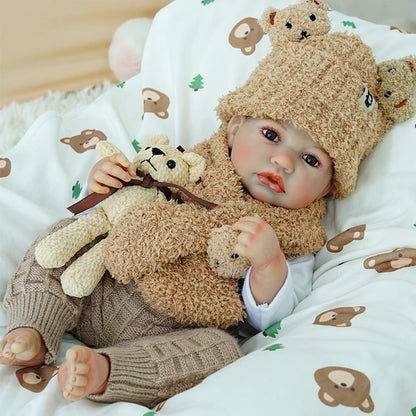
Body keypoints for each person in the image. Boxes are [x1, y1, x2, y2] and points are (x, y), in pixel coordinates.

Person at [0, 25, 390, 408]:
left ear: (326, 187)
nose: (283, 161)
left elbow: (270, 318)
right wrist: (102, 185)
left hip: (168, 333)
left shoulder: (294, 237)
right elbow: (122, 204)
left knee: (220, 351)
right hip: (97, 284)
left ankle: (106, 371)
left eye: (310, 159)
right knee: (62, 237)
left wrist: (269, 265)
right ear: (236, 129)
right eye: (272, 135)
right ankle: (32, 327)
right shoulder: (192, 164)